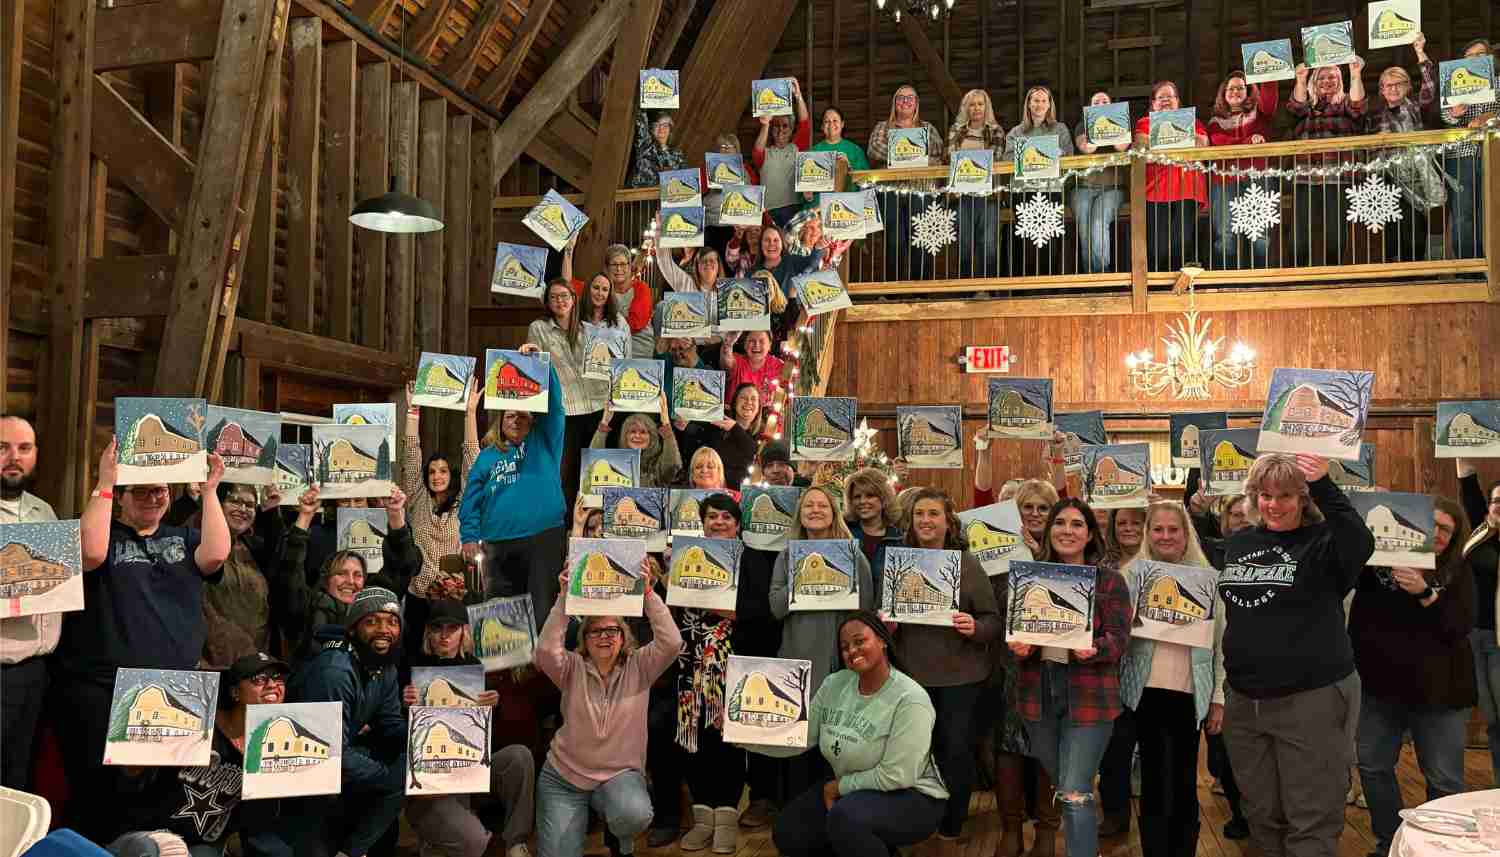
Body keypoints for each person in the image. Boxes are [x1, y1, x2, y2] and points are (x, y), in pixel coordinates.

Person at [49, 440, 230, 841]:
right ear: (123, 497)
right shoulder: (104, 533)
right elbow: (89, 554)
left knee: (160, 798)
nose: (154, 496)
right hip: (103, 689)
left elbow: (216, 555)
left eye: (161, 489)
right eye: (143, 490)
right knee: (101, 797)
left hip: (174, 690)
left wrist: (213, 489)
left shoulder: (183, 538)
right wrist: (106, 482)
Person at [1218, 454, 1374, 857]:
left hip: (1311, 698)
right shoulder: (1241, 542)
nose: (1274, 504)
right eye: (1265, 495)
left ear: (1304, 498)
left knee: (1311, 815)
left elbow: (1361, 539)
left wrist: (1322, 480)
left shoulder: (1324, 542)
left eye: (1286, 495)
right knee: (1262, 813)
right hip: (1244, 701)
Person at [757, 612, 948, 857]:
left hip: (913, 797)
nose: (852, 650)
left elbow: (897, 776)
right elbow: (799, 736)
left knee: (846, 818)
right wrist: (741, 734)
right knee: (789, 831)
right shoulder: (834, 684)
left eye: (860, 641)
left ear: (883, 640)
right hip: (854, 792)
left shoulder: (911, 699)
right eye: (845, 646)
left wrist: (838, 787)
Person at [1351, 497, 1475, 857]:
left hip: (1440, 692)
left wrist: (1425, 594)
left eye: (1445, 530)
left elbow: (1459, 626)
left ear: (1454, 538)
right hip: (1380, 687)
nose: (1436, 534)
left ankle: (1439, 849)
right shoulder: (1376, 565)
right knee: (1373, 766)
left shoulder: (1457, 570)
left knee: (1444, 779)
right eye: (1431, 524)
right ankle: (1390, 842)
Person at [534, 559, 682, 857]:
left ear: (623, 637)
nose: (604, 636)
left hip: (619, 775)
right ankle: (585, 815)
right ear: (584, 640)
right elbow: (546, 651)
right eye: (596, 631)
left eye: (613, 630)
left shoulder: (640, 666)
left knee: (634, 813)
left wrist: (649, 595)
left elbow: (671, 642)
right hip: (564, 778)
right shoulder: (570, 668)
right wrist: (564, 598)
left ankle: (619, 837)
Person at [1008, 498, 1130, 857]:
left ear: (1090, 534)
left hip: (1090, 696)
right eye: (1060, 523)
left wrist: (1097, 648)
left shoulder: (1109, 581)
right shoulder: (1030, 577)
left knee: (1075, 791)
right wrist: (1019, 647)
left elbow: (1120, 639)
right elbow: (1016, 633)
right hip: (1038, 693)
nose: (1067, 530)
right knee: (1066, 786)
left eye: (1077, 524)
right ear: (1049, 531)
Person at [658, 496, 773, 853]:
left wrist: (730, 610)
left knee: (727, 741)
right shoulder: (685, 553)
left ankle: (725, 817)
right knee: (693, 738)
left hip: (731, 663)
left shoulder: (750, 558)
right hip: (689, 662)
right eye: (712, 516)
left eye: (727, 517)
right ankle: (703, 815)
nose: (719, 522)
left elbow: (764, 611)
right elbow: (670, 606)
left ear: (738, 524)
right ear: (702, 522)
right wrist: (664, 574)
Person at [885, 489, 1001, 839]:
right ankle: (918, 820)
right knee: (916, 752)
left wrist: (975, 627)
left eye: (933, 513)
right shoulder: (899, 563)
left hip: (960, 678)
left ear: (948, 522)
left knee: (955, 751)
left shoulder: (966, 564)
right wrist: (886, 624)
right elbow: (883, 619)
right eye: (919, 513)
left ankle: (952, 822)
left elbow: (992, 621)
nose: (925, 520)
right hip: (911, 676)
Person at [114, 652, 296, 856]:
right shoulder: (196, 721)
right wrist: (137, 764)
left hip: (202, 846)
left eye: (278, 678)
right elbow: (129, 780)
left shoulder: (274, 747)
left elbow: (255, 823)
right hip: (147, 836)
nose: (272, 684)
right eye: (259, 679)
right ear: (235, 692)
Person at [1118, 502, 1220, 857]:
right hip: (1144, 692)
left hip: (1190, 695)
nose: (1165, 536)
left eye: (1172, 529)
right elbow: (1117, 633)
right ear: (1148, 534)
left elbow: (1222, 646)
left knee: (1184, 783)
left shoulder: (1207, 578)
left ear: (1185, 533)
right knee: (1154, 782)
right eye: (1157, 529)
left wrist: (1219, 697)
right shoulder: (1131, 575)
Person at [402, 599, 537, 857]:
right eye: (437, 629)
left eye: (451, 629)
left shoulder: (476, 667)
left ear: (463, 631)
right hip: (430, 780)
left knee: (519, 756)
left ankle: (515, 842)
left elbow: (484, 739)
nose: (444, 636)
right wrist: (404, 706)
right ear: (428, 632)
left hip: (469, 765)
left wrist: (494, 708)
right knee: (473, 842)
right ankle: (441, 837)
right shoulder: (412, 666)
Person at [285, 587, 408, 857]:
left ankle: (352, 851)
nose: (383, 629)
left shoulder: (384, 666)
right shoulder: (335, 671)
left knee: (407, 763)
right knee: (395, 776)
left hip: (341, 756)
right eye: (372, 621)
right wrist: (383, 775)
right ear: (352, 629)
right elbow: (327, 752)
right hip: (303, 769)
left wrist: (422, 730)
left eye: (392, 621)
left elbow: (389, 724)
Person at [461, 343, 566, 622]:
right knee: (501, 622)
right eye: (510, 415)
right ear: (500, 421)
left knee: (541, 614)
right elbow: (471, 498)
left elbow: (555, 410)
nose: (516, 420)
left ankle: (538, 668)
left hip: (542, 538)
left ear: (533, 421)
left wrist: (543, 368)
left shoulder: (544, 442)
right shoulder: (487, 456)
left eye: (523, 415)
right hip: (497, 544)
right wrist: (469, 536)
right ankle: (505, 669)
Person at [0, 416, 59, 791]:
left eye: (24, 448)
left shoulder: (45, 512)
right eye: (2, 448)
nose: (13, 457)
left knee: (19, 779)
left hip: (37, 670)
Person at [530, 279, 616, 512]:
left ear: (574, 299)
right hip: (566, 409)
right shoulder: (539, 328)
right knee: (567, 472)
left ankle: (595, 525)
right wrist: (530, 353)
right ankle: (568, 527)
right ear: (548, 302)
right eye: (554, 297)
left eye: (565, 296)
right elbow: (534, 363)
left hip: (598, 407)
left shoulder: (588, 329)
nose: (560, 301)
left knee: (597, 472)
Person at [402, 378, 483, 607]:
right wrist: (412, 411)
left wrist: (469, 412)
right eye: (432, 472)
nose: (437, 476)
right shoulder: (418, 498)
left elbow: (471, 456)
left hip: (454, 595)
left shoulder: (463, 501)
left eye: (443, 471)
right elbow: (411, 452)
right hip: (419, 595)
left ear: (451, 475)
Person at [1364, 36, 1440, 263]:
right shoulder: (1374, 114)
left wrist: (1420, 52)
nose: (1394, 88)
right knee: (1390, 228)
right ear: (1382, 90)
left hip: (1415, 175)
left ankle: (1417, 271)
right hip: (1386, 176)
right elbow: (1365, 149)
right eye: (1389, 85)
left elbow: (1429, 87)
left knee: (1415, 227)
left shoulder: (1416, 107)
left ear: (1407, 87)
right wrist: (1375, 142)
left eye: (1399, 83)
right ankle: (1393, 275)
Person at [1286, 59, 1367, 266]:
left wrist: (1356, 74)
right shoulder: (1307, 107)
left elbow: (1358, 106)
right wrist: (1301, 79)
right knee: (1300, 234)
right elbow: (1296, 107)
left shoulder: (1345, 103)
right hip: (1305, 176)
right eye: (1321, 77)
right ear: (1315, 81)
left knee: (1335, 232)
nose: (1327, 80)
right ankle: (1299, 276)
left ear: (1340, 80)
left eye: (1332, 76)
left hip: (1337, 176)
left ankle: (1334, 276)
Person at [201, 482, 288, 667]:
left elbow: (278, 554)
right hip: (211, 664)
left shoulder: (253, 548)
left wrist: (272, 511)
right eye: (234, 501)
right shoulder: (197, 541)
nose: (242, 509)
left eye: (249, 505)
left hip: (256, 664)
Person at [867, 84, 946, 281]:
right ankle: (893, 289)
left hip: (922, 191)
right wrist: (912, 158)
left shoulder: (927, 128)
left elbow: (939, 155)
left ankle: (922, 289)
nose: (905, 101)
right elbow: (874, 149)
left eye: (910, 98)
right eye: (901, 98)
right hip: (890, 191)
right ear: (894, 103)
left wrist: (902, 159)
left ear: (916, 103)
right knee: (895, 241)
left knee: (921, 238)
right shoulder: (882, 127)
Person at [1133, 80, 1209, 273]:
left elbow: (1202, 145)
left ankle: (1179, 291)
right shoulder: (1144, 122)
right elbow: (1141, 144)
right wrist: (1182, 139)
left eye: (1170, 97)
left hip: (1187, 188)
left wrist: (1162, 139)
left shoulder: (1193, 121)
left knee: (1181, 241)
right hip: (1154, 190)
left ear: (1178, 101)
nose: (1166, 100)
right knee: (1157, 246)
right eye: (1161, 97)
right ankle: (1158, 290)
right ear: (1153, 103)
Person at [1206, 72, 1279, 269]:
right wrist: (1248, 142)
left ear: (1249, 92)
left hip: (1258, 177)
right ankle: (1227, 282)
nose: (1235, 91)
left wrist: (1266, 74)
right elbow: (1219, 143)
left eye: (1240, 87)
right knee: (1225, 234)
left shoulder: (1260, 112)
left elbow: (1270, 99)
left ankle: (1259, 283)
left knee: (1260, 234)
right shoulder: (1215, 122)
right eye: (1231, 88)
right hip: (1225, 181)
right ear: (1223, 94)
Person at [1459, 457, 1500, 780]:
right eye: (1497, 500)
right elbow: (1468, 485)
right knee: (1491, 718)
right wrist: (1461, 444)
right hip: (1474, 635)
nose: (1499, 505)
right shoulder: (1481, 532)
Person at [1008, 85, 1075, 275]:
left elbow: (1070, 155)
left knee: (1049, 238)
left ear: (1049, 105)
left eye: (1043, 101)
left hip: (1051, 190)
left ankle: (1048, 284)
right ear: (1028, 104)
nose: (1039, 104)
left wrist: (1059, 154)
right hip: (1023, 192)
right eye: (1035, 100)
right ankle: (1027, 285)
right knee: (1027, 239)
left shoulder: (1059, 129)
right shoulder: (1016, 132)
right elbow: (1005, 158)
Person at [1439, 39, 1495, 260]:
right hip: (1460, 154)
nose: (1475, 59)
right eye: (1469, 56)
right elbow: (1444, 117)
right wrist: (1454, 113)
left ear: (1490, 57)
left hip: (1491, 152)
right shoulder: (1454, 82)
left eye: (1480, 54)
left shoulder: (1498, 83)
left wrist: (1491, 117)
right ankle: (1466, 266)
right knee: (1463, 212)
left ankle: (1490, 265)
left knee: (1490, 210)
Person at [948, 89, 1007, 277]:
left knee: (988, 243)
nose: (976, 108)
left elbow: (996, 158)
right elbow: (949, 157)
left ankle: (987, 287)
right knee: (964, 243)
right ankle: (964, 288)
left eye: (980, 104)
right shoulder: (957, 130)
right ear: (966, 108)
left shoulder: (995, 130)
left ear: (986, 107)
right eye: (972, 104)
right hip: (962, 195)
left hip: (988, 195)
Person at [1072, 91, 1129, 274]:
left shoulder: (1121, 123)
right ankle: (1091, 274)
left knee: (1098, 221)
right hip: (1083, 187)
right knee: (1084, 225)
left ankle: (1101, 273)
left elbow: (1121, 146)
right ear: (1089, 107)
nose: (1101, 103)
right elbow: (1087, 148)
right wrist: (1096, 121)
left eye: (1105, 101)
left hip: (1113, 188)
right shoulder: (1082, 126)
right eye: (1096, 102)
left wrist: (1111, 122)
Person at [753, 78, 812, 227]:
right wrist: (766, 124)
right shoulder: (765, 152)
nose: (780, 130)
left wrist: (798, 96)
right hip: (768, 211)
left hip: (793, 208)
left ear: (791, 129)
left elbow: (804, 123)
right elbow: (757, 150)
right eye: (776, 126)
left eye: (785, 126)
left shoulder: (796, 147)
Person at [682, 381, 762, 489]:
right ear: (734, 403)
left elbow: (754, 451)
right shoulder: (718, 427)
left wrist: (735, 428)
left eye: (753, 399)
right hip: (713, 490)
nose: (748, 402)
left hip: (740, 494)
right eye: (743, 398)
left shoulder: (762, 433)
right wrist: (685, 423)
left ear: (759, 406)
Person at [591, 397, 683, 487]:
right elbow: (593, 462)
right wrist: (604, 422)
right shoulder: (615, 463)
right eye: (632, 431)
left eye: (643, 432)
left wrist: (666, 425)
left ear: (652, 437)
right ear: (625, 436)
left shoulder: (658, 467)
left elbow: (673, 466)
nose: (637, 436)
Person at [845, 468, 903, 589]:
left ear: (884, 498)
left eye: (870, 495)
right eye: (857, 497)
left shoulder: (899, 538)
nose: (862, 501)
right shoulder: (843, 532)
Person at [806, 106, 871, 206]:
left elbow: (866, 182)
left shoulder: (855, 150)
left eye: (835, 120)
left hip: (849, 205)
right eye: (827, 121)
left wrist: (848, 167)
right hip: (819, 207)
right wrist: (808, 196)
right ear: (822, 126)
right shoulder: (813, 152)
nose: (831, 124)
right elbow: (805, 193)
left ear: (842, 124)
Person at [600, 245, 656, 358]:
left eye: (623, 264)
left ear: (630, 266)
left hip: (638, 353)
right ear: (606, 268)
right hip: (609, 353)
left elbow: (636, 323)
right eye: (614, 264)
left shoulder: (641, 288)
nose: (619, 269)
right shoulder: (602, 289)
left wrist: (605, 325)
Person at [721, 330, 786, 408]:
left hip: (767, 418)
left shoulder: (779, 366)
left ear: (769, 345)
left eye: (762, 341)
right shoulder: (737, 361)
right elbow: (726, 361)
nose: (756, 345)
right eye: (752, 341)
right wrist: (728, 344)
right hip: (732, 417)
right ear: (745, 345)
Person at [630, 111, 690, 189]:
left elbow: (686, 179)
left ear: (670, 130)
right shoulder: (645, 146)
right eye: (657, 125)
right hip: (645, 197)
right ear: (651, 129)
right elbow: (640, 117)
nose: (661, 128)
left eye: (665, 125)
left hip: (669, 197)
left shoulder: (677, 154)